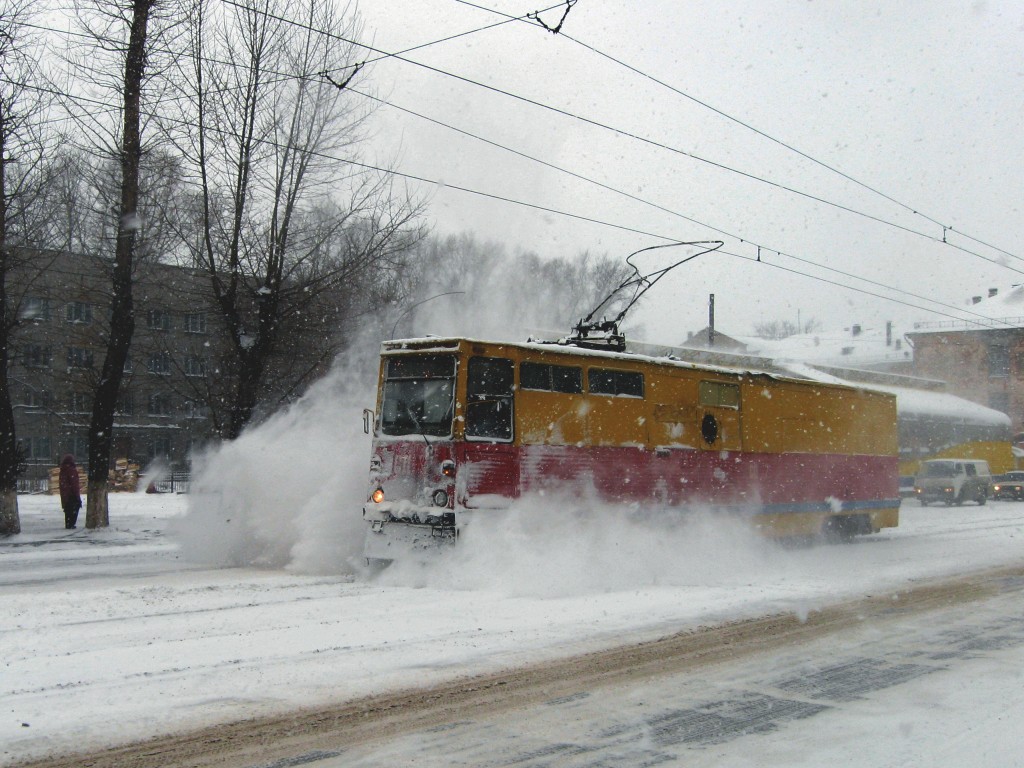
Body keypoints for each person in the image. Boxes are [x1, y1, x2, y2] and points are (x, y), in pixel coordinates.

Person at [58, 454, 82, 529]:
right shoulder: (71, 470)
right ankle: (71, 524)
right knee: (75, 508)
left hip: (65, 494)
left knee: (68, 509)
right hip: (72, 494)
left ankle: (68, 523)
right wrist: (77, 495)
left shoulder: (62, 470)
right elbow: (74, 483)